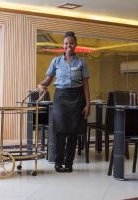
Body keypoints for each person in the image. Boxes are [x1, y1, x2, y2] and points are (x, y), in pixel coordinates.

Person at [38, 31, 90, 173]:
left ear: (75, 45)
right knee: (60, 131)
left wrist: (88, 104)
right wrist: (40, 85)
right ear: (63, 45)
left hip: (77, 97)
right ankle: (58, 162)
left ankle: (69, 163)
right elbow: (47, 81)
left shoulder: (81, 62)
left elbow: (86, 85)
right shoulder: (56, 61)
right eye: (66, 43)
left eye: (71, 43)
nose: (69, 46)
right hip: (60, 98)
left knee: (73, 132)